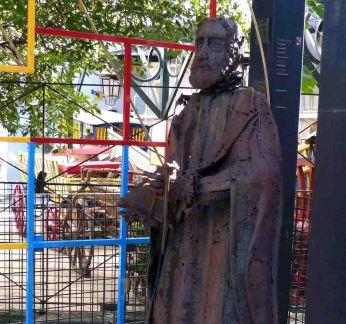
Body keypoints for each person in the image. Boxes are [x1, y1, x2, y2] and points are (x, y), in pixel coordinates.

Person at [120, 17, 282, 324]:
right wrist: (155, 197)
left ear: (234, 52)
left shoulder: (250, 105)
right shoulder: (187, 111)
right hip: (183, 246)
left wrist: (197, 189)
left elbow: (262, 174)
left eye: (214, 43)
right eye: (200, 43)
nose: (203, 52)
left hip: (223, 247)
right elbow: (175, 172)